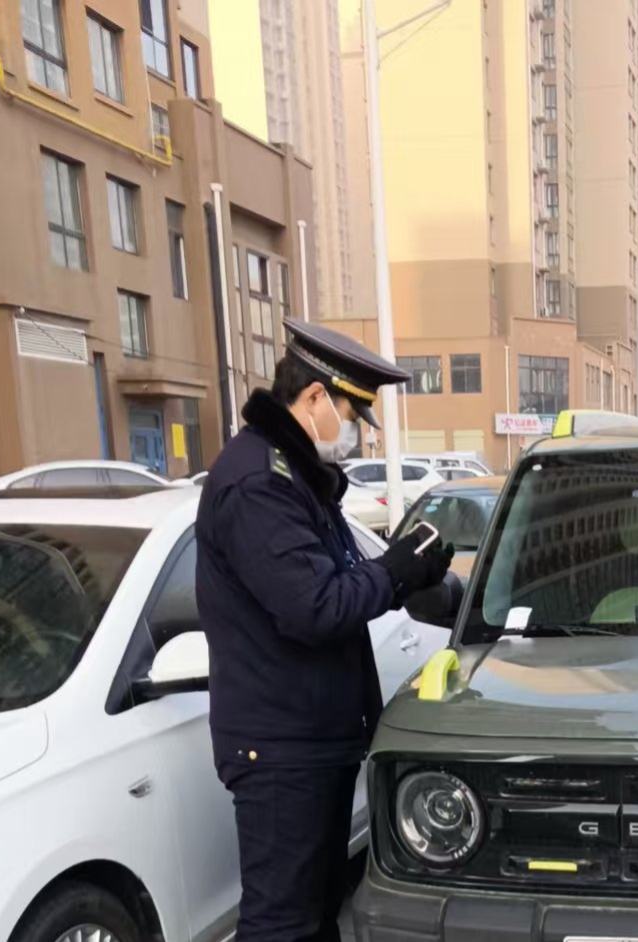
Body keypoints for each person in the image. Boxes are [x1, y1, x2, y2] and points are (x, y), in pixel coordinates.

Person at [196, 319, 452, 942]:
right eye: (352, 413)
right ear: (314, 398)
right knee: (283, 923)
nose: (358, 433)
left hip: (311, 740)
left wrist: (406, 573)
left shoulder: (297, 477)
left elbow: (336, 580)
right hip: (282, 747)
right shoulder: (260, 482)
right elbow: (313, 606)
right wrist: (393, 572)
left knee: (314, 914)